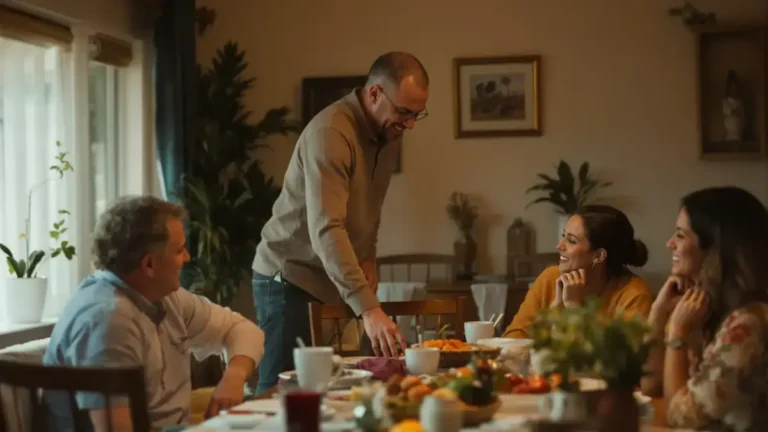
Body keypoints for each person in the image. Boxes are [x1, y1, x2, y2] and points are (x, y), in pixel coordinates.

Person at [251, 51, 429, 394]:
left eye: (417, 113)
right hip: (290, 276)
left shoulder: (388, 135)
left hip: (332, 276)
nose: (410, 124)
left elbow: (370, 206)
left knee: (334, 392)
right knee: (281, 392)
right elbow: (326, 229)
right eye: (404, 112)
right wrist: (370, 309)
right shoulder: (331, 133)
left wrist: (368, 255)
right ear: (375, 93)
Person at [43, 196, 265, 431]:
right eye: (179, 250)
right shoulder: (109, 320)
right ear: (149, 264)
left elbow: (242, 329)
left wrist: (234, 375)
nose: (187, 258)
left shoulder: (165, 297)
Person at [641, 187, 768, 431]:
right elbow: (651, 386)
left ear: (715, 249)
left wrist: (677, 333)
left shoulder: (747, 324)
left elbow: (680, 416)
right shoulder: (707, 308)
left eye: (680, 235)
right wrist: (658, 314)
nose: (670, 244)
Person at [504, 205, 653, 338]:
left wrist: (575, 310)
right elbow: (513, 337)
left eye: (572, 241)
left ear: (599, 256)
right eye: (564, 236)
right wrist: (552, 314)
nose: (559, 246)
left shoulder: (635, 295)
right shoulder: (550, 278)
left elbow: (617, 363)